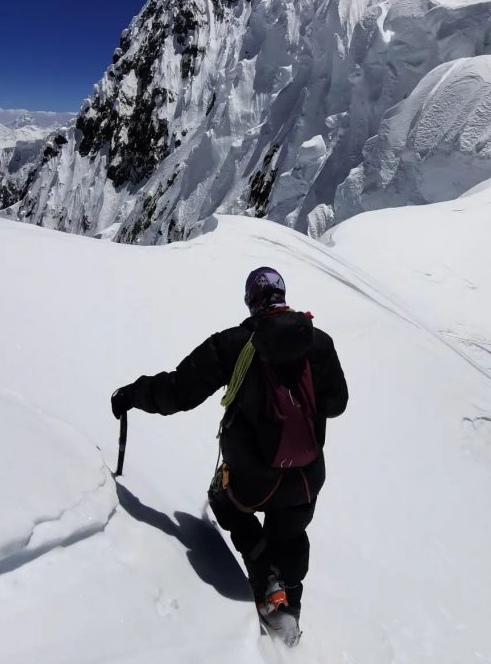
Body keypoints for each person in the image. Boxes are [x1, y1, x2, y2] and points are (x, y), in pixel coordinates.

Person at [110, 266, 348, 644]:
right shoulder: (318, 342)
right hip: (306, 479)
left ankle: (263, 575)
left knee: (224, 501)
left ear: (251, 301)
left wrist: (131, 394)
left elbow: (178, 392)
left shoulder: (235, 344)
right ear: (283, 295)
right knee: (290, 535)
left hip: (254, 480)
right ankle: (288, 619)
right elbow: (337, 404)